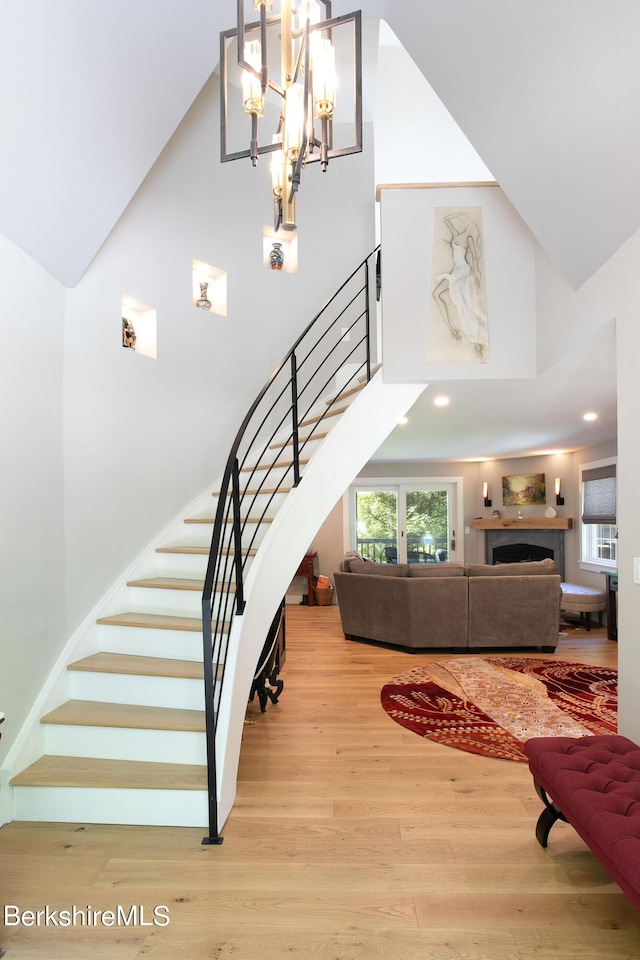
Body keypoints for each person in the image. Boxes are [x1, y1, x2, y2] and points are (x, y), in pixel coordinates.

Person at [432, 211, 488, 359]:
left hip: (462, 270)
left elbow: (475, 258)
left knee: (464, 304)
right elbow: (446, 218)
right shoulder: (456, 233)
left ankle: (475, 340)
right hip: (456, 270)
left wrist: (477, 274)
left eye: (474, 227)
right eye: (472, 226)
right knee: (437, 295)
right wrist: (461, 213)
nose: (472, 226)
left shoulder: (469, 239)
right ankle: (453, 329)